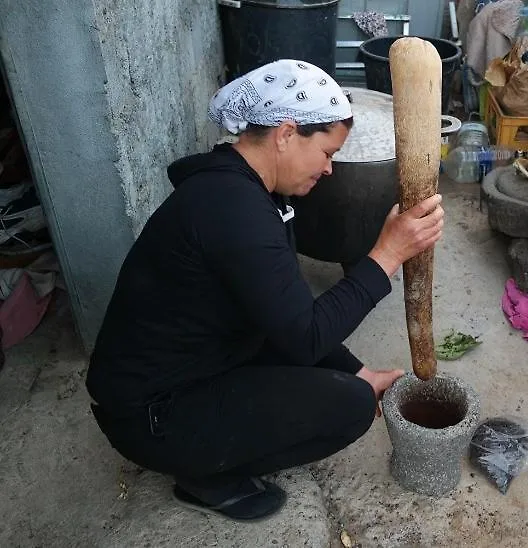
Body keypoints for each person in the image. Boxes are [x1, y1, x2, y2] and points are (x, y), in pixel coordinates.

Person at [85, 60, 445, 522]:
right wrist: (386, 255)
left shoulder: (249, 193)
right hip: (153, 414)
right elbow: (304, 335)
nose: (330, 169)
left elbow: (284, 313)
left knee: (345, 383)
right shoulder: (232, 209)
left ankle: (206, 449)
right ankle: (204, 476)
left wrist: (357, 369)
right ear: (287, 133)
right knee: (350, 407)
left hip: (195, 369)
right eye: (328, 152)